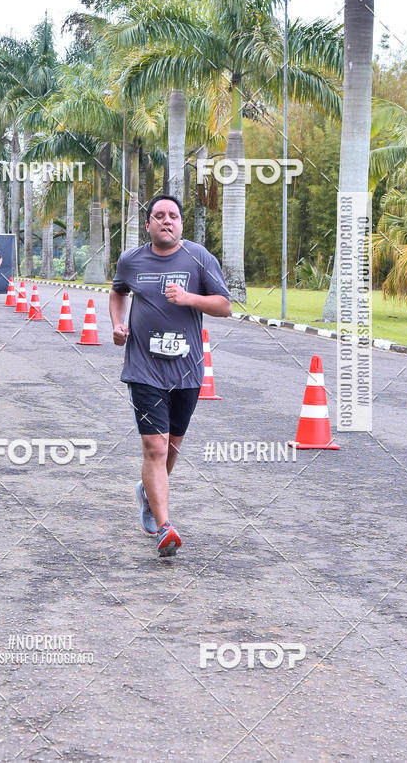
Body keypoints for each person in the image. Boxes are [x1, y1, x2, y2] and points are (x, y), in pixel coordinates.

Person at [109, 194, 231, 558]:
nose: (166, 221)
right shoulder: (131, 260)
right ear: (148, 225)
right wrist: (117, 323)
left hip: (187, 370)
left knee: (172, 447)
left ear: (181, 223)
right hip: (144, 369)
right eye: (158, 216)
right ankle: (164, 526)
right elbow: (117, 293)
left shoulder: (198, 258)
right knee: (156, 447)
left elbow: (224, 306)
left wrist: (189, 298)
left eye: (173, 216)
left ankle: (147, 493)